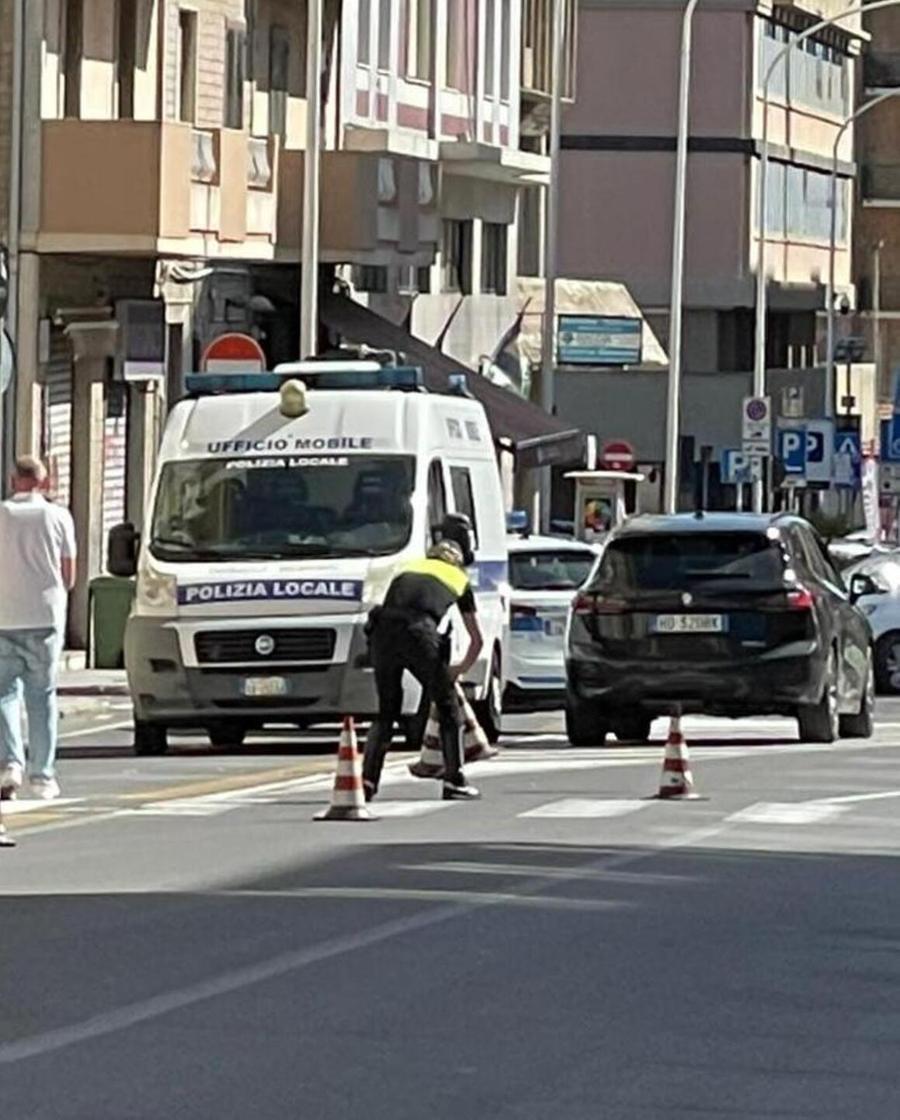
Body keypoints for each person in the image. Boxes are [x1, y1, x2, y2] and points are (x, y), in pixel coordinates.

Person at [363, 539, 484, 802]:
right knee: (448, 707)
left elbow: (393, 607)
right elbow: (477, 640)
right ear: (457, 561)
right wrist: (457, 669)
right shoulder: (459, 578)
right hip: (418, 633)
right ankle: (454, 781)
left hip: (382, 633)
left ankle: (366, 782)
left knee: (386, 712)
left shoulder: (408, 569)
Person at [0, 456, 77, 801]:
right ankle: (43, 776)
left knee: (3, 694)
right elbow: (69, 573)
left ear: (13, 480)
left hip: (4, 617)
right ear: (44, 482)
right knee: (42, 697)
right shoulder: (58, 516)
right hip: (45, 617)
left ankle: (10, 763)